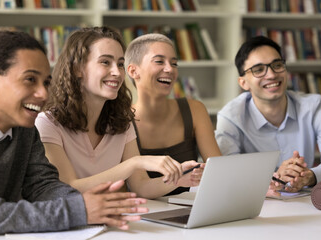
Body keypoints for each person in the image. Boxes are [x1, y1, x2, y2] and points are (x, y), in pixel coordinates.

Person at [0, 31, 148, 234]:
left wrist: (94, 204)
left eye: (46, 82)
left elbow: (42, 186)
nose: (44, 94)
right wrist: (79, 209)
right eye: (30, 79)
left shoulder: (25, 130)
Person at [35, 27, 200, 200]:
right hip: (72, 223)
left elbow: (141, 186)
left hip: (111, 219)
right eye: (105, 62)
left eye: (120, 64)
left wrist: (178, 179)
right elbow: (69, 188)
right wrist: (134, 163)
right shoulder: (47, 124)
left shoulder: (121, 121)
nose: (117, 72)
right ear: (77, 69)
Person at [215, 35, 321, 193]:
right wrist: (276, 177)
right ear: (243, 82)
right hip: (257, 205)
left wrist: (310, 176)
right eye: (258, 70)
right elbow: (228, 172)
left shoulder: (316, 106)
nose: (271, 75)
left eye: (277, 65)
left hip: (305, 202)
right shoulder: (230, 117)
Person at [124, 33, 221, 195]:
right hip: (146, 213)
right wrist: (179, 179)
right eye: (159, 61)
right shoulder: (122, 120)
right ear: (134, 71)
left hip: (191, 209)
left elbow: (219, 169)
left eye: (174, 63)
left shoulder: (195, 109)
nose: (169, 69)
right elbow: (140, 187)